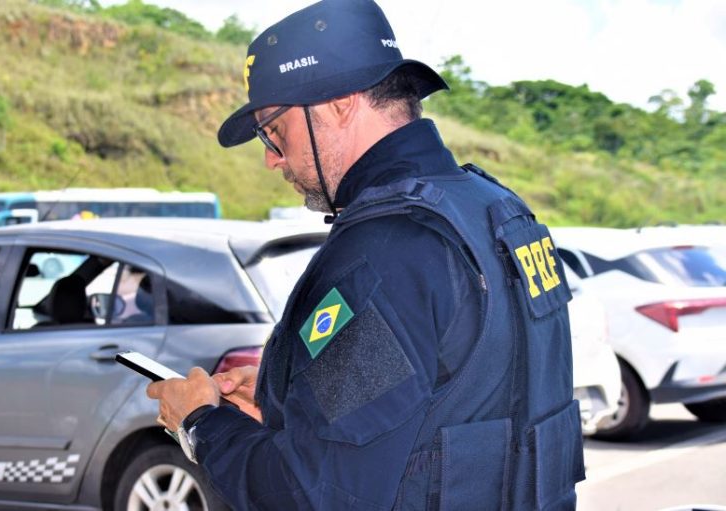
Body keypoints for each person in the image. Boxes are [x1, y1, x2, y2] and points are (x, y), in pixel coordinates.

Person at [147, 0, 585, 509]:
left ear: (338, 102)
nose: (271, 158)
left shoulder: (386, 251)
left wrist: (200, 423)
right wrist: (285, 401)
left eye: (273, 130)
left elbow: (313, 496)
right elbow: (454, 406)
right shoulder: (499, 211)